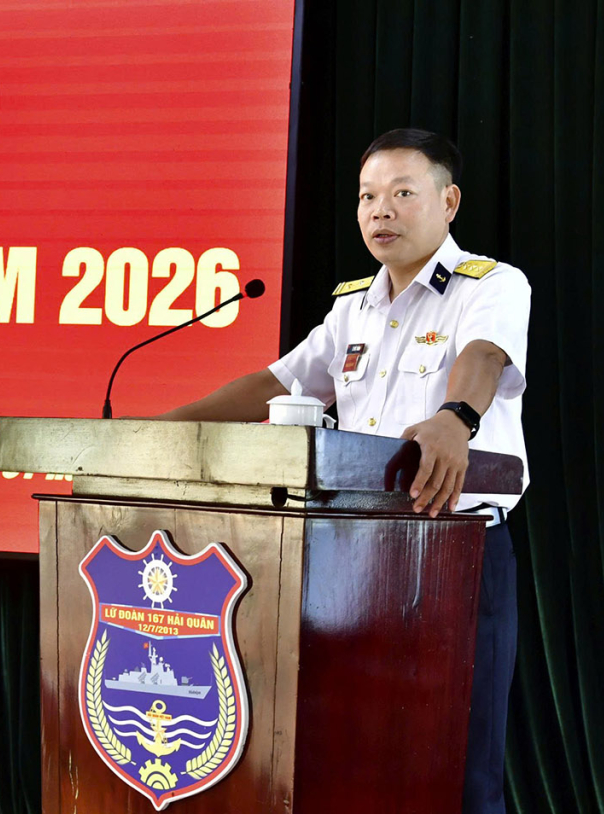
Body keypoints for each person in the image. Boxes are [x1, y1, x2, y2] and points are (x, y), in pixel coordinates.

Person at [159, 128, 529, 814]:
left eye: (402, 193)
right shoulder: (352, 306)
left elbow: (483, 356)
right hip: (352, 561)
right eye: (367, 196)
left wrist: (455, 418)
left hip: (455, 553)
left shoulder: (491, 285)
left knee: (456, 766)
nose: (380, 210)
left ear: (449, 202)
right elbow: (278, 383)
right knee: (358, 754)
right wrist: (165, 425)